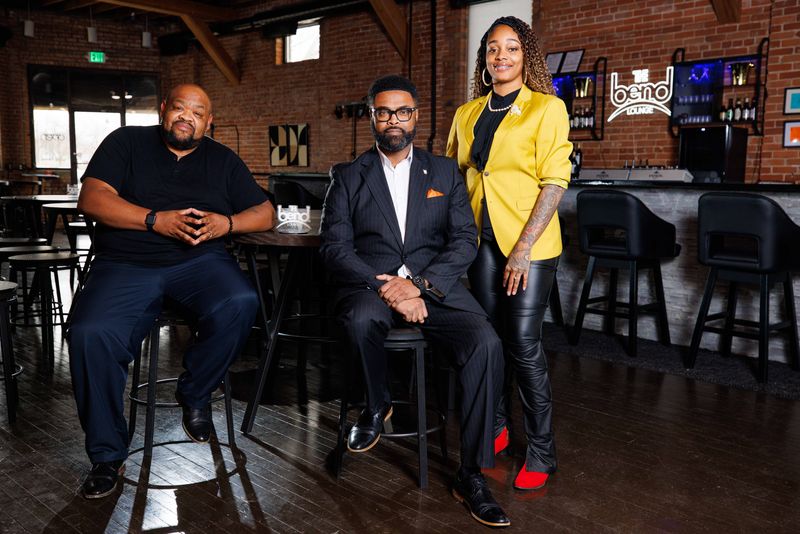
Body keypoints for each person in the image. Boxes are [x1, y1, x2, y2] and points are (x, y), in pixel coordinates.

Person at [321, 75, 509, 528]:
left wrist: (419, 287)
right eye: (383, 112)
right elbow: (334, 247)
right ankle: (377, 404)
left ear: (417, 117)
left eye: (402, 112)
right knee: (362, 321)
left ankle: (470, 474)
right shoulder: (347, 176)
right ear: (372, 117)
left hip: (433, 289)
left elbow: (465, 239)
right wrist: (388, 287)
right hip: (372, 286)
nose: (393, 120)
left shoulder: (444, 172)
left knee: (485, 343)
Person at [69, 83, 274, 499]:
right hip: (125, 264)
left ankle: (195, 392)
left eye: (198, 112)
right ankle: (107, 454)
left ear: (208, 121)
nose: (188, 117)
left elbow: (266, 211)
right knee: (90, 333)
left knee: (241, 301)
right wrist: (152, 220)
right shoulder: (126, 141)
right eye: (180, 108)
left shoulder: (222, 159)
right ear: (164, 110)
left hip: (199, 263)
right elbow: (91, 198)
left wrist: (228, 224)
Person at [446, 16, 572, 491]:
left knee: (521, 342)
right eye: (494, 48)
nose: (502, 56)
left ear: (527, 56)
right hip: (480, 242)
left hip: (531, 245)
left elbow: (555, 180)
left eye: (512, 48)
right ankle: (496, 426)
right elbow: (456, 177)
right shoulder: (467, 112)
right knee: (488, 338)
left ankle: (542, 449)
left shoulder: (547, 109)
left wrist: (522, 248)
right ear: (485, 59)